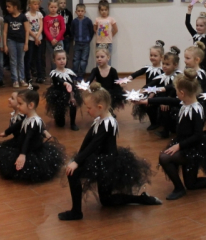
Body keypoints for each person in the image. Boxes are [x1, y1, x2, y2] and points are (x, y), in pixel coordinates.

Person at [58, 82, 160, 221]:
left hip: (107, 163)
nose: (87, 111)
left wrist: (77, 162)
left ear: (100, 107)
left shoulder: (108, 124)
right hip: (99, 159)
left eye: (89, 108)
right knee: (106, 200)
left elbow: (94, 144)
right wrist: (77, 159)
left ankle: (76, 212)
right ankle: (141, 199)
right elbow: (87, 141)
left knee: (79, 178)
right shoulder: (99, 119)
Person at [141, 68, 206, 200]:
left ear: (182, 93)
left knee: (165, 157)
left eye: (176, 91)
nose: (175, 94)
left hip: (194, 147)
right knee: (192, 184)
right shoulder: (184, 103)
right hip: (185, 144)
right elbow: (168, 100)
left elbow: (198, 135)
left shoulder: (196, 110)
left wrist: (178, 146)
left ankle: (179, 188)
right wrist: (146, 101)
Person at [0, 88, 65, 182]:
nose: (18, 106)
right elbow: (17, 125)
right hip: (24, 146)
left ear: (30, 105)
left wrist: (23, 154)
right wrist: (6, 132)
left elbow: (28, 139)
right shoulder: (27, 117)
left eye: (20, 104)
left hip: (31, 149)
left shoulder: (35, 122)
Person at [124, 40, 165, 129]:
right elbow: (137, 73)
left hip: (159, 92)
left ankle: (159, 121)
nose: (152, 57)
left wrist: (152, 93)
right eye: (151, 55)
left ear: (161, 57)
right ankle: (153, 122)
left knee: (155, 106)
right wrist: (127, 79)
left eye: (155, 56)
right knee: (147, 107)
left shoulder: (163, 70)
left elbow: (160, 84)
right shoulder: (148, 68)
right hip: (148, 91)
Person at [44, 46, 82, 130]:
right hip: (59, 94)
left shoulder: (69, 72)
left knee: (73, 106)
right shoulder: (54, 73)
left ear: (66, 59)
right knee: (60, 121)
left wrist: (72, 94)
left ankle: (73, 123)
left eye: (63, 58)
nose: (62, 61)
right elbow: (58, 80)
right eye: (59, 59)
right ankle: (59, 118)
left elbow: (72, 83)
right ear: (54, 61)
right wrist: (65, 83)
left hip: (70, 93)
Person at [3, 0, 30, 88]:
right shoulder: (7, 18)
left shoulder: (22, 17)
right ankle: (15, 80)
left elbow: (27, 30)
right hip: (11, 41)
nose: (7, 8)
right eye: (6, 6)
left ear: (15, 7)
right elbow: (5, 32)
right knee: (13, 61)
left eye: (9, 6)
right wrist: (5, 45)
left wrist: (26, 43)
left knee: (21, 61)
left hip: (21, 41)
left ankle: (21, 79)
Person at [43, 0, 66, 78]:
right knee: (52, 57)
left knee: (60, 56)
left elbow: (63, 29)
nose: (53, 9)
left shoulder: (60, 17)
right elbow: (45, 29)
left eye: (55, 7)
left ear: (57, 7)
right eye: (51, 7)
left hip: (59, 41)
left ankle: (61, 73)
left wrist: (56, 39)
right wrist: (51, 39)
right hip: (49, 41)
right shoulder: (46, 18)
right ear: (48, 7)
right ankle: (54, 74)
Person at [24, 0, 44, 83]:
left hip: (39, 39)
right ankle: (28, 77)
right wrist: (35, 37)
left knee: (39, 58)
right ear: (30, 5)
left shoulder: (39, 14)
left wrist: (38, 36)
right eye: (35, 4)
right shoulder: (27, 15)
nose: (37, 6)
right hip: (31, 39)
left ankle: (40, 76)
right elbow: (27, 28)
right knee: (29, 58)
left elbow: (41, 26)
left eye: (38, 4)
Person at [71, 3, 93, 78]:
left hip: (86, 44)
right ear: (76, 12)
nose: (80, 13)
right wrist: (74, 38)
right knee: (76, 59)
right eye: (79, 11)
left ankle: (81, 74)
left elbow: (91, 31)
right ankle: (75, 74)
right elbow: (72, 31)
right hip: (77, 43)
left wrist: (88, 39)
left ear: (84, 12)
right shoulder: (74, 21)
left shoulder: (88, 21)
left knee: (84, 60)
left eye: (82, 11)